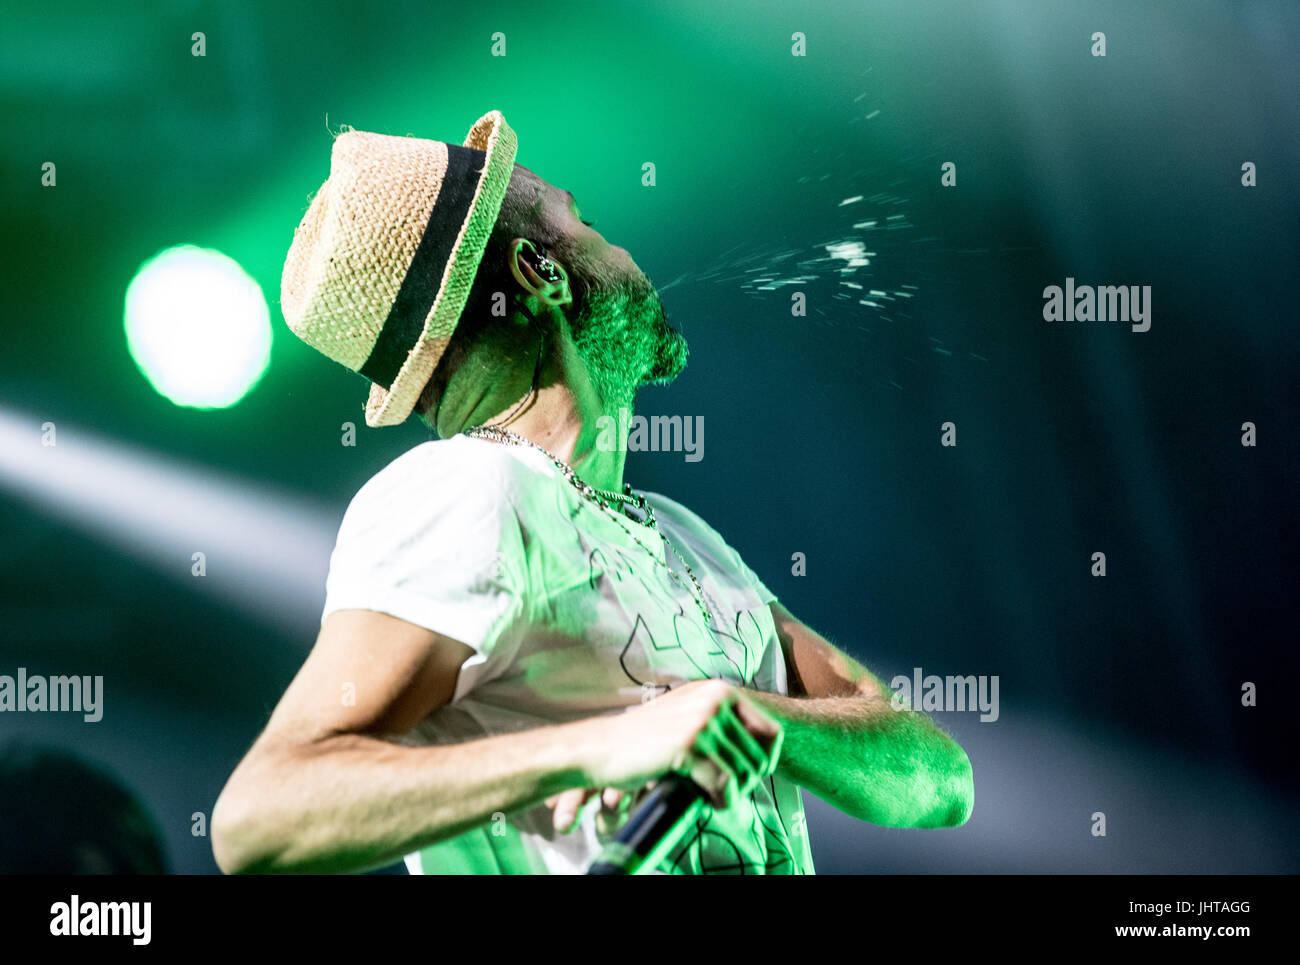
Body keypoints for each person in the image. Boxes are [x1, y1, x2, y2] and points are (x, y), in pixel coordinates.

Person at [211, 110, 973, 875]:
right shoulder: (462, 491)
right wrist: (598, 747)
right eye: (586, 222)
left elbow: (939, 782)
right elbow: (260, 815)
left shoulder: (681, 533)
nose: (625, 247)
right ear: (539, 275)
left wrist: (753, 715)